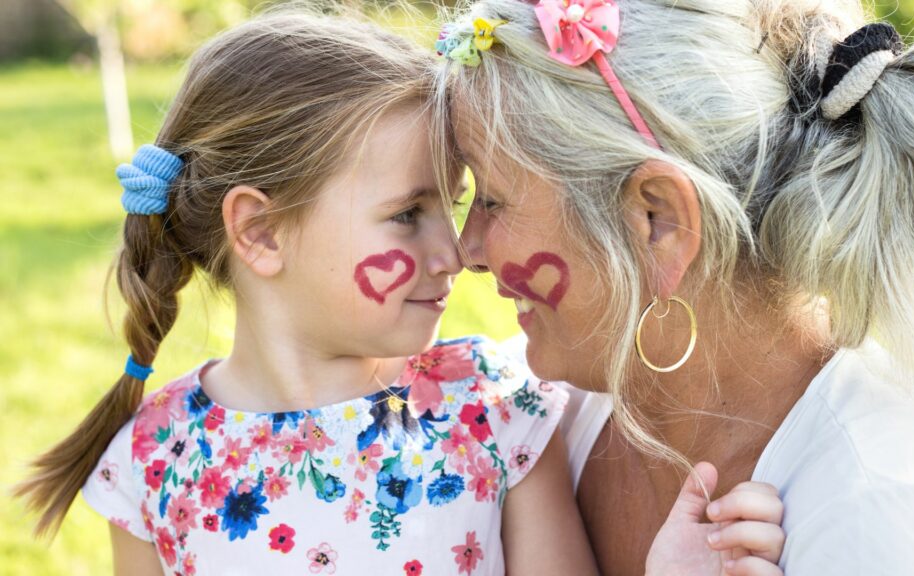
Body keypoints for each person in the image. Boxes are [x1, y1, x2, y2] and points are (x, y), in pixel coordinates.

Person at [14, 10, 787, 576]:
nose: (455, 253)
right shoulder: (153, 461)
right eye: (407, 214)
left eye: (449, 206)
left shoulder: (491, 413)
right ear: (259, 232)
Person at [432, 0, 914, 574]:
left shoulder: (890, 529)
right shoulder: (526, 418)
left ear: (658, 223)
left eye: (490, 199)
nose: (468, 249)